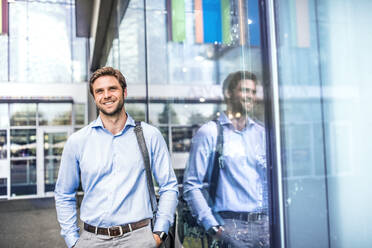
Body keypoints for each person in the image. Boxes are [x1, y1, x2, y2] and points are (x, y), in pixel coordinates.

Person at [55, 67, 178, 248]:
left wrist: (159, 232)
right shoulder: (77, 141)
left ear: (124, 92)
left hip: (140, 238)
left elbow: (169, 186)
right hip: (92, 239)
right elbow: (64, 194)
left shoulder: (150, 135)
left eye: (112, 89)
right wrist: (72, 241)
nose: (106, 95)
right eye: (99, 91)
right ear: (94, 97)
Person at [183, 71, 269, 247]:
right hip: (230, 224)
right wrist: (213, 227)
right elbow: (191, 185)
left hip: (264, 225)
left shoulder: (261, 134)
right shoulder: (210, 132)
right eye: (244, 90)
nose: (250, 96)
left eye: (253, 92)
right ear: (229, 94)